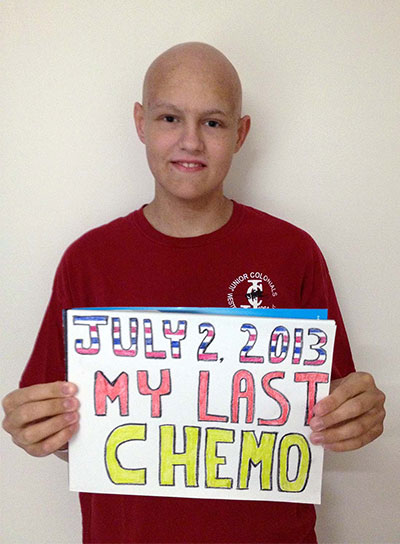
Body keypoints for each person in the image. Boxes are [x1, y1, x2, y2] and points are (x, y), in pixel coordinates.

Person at [2, 42, 385, 543]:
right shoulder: (89, 260)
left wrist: (356, 413)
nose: (190, 142)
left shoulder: (293, 252)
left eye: (213, 123)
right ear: (141, 123)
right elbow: (70, 433)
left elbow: (331, 402)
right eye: (168, 118)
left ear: (241, 133)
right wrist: (38, 428)